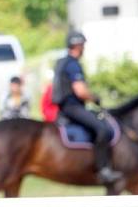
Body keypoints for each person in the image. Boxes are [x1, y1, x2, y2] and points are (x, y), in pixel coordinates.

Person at [52, 30, 122, 184]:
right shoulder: (72, 64)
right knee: (103, 129)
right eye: (83, 45)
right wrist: (95, 98)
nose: (84, 48)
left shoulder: (61, 62)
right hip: (72, 107)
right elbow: (80, 91)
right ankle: (103, 169)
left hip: (64, 107)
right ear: (78, 45)